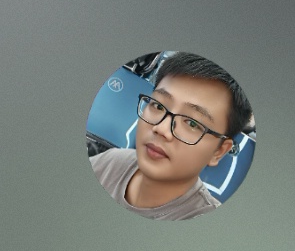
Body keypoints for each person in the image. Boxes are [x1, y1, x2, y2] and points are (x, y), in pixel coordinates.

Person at [92, 55, 244, 222]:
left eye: (192, 123)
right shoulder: (111, 163)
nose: (161, 129)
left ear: (219, 151)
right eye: (158, 106)